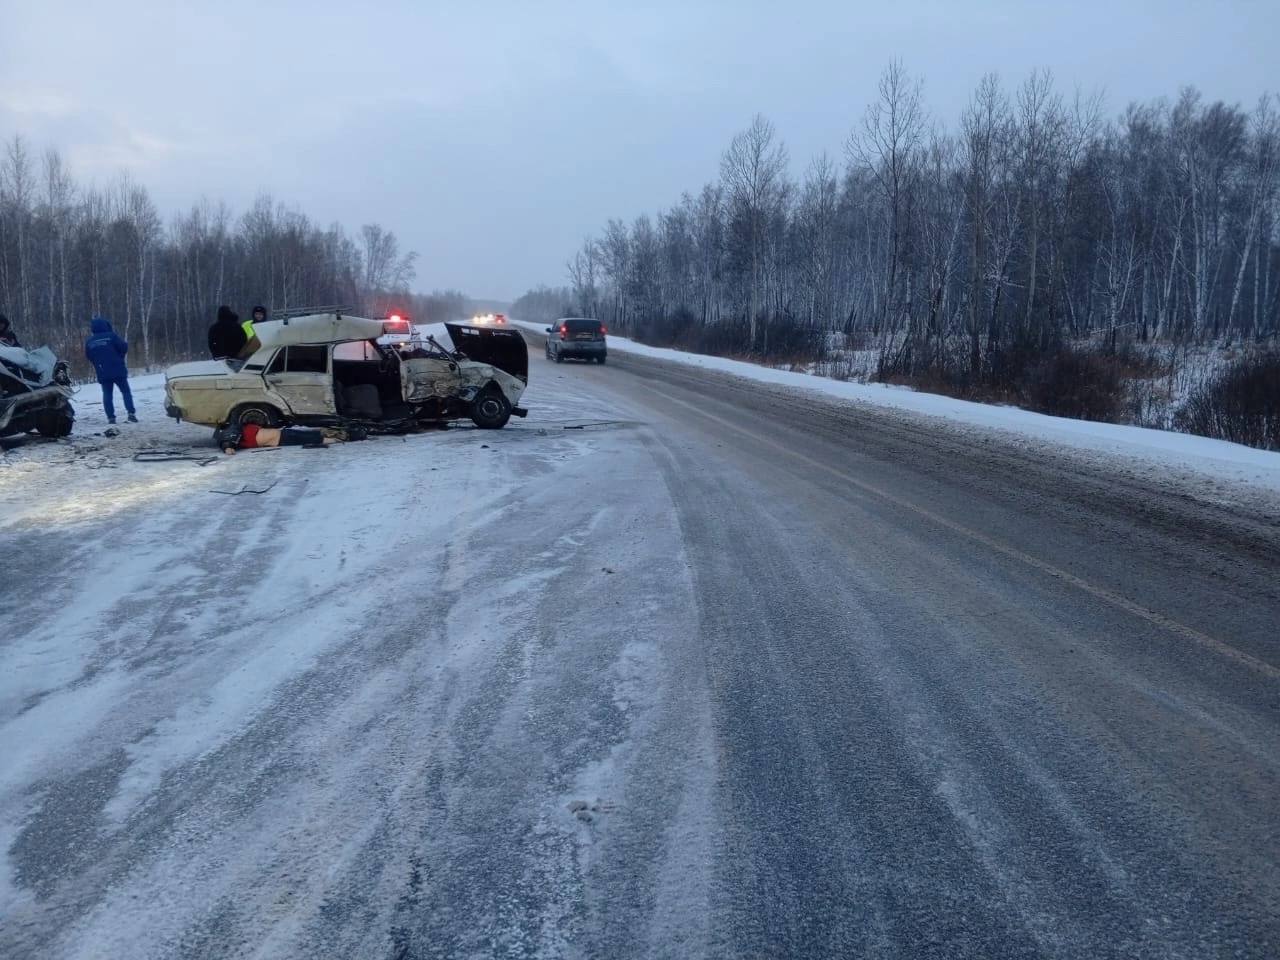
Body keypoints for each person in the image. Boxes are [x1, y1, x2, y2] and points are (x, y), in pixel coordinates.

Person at [84, 316, 136, 424]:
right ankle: (131, 414)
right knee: (126, 392)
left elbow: (89, 356)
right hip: (118, 370)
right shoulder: (111, 336)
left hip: (102, 372)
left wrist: (99, 364)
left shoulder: (89, 341)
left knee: (107, 395)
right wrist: (119, 356)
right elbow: (123, 347)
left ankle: (111, 418)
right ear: (106, 325)